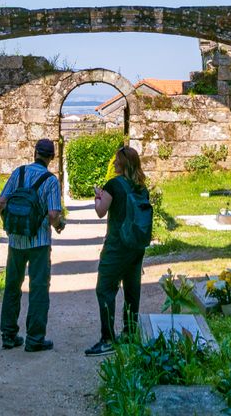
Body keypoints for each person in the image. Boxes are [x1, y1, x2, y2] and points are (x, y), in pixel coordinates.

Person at [0, 138, 64, 352]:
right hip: (39, 242)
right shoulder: (51, 181)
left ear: (34, 153)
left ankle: (9, 335)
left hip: (16, 240)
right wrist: (59, 225)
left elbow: (1, 202)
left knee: (12, 286)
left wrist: (8, 223)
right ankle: (35, 339)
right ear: (52, 157)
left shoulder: (19, 173)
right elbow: (53, 214)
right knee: (38, 288)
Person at [86, 144, 148, 356]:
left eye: (115, 160)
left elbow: (101, 212)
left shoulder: (113, 185)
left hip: (117, 245)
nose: (113, 163)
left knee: (105, 289)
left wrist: (97, 196)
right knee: (132, 290)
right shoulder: (141, 187)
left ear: (120, 164)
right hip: (136, 245)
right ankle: (130, 333)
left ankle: (107, 339)